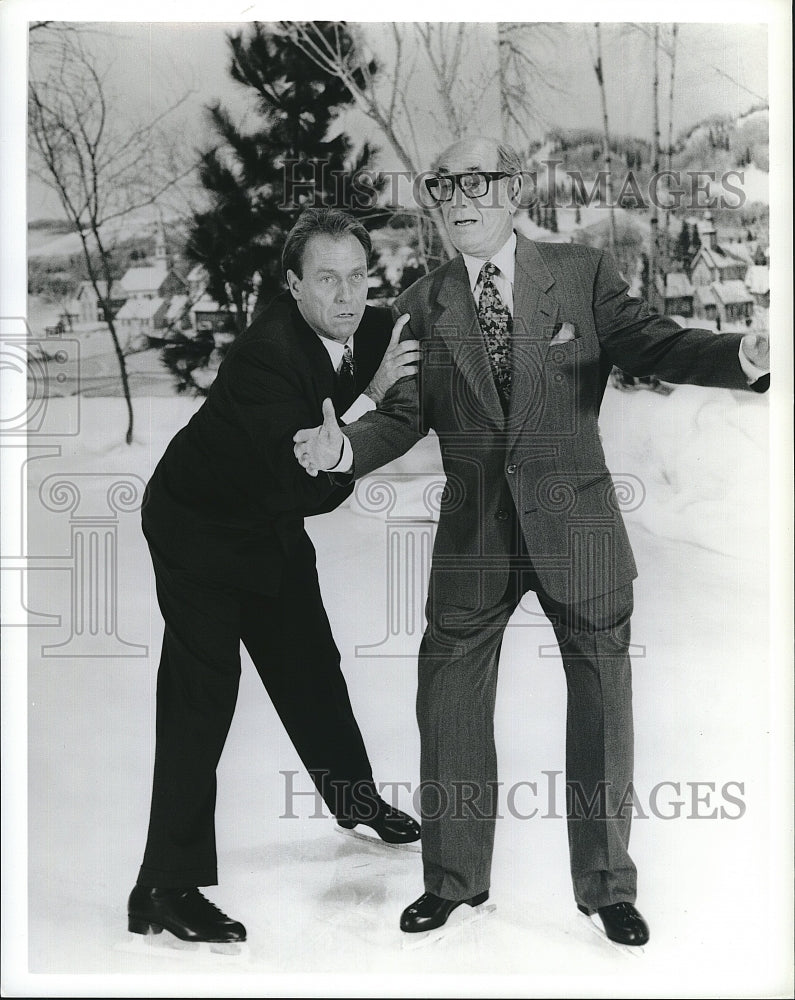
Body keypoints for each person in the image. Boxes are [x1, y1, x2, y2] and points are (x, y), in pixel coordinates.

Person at [293, 137, 770, 947]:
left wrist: (739, 355)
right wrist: (345, 450)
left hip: (575, 527)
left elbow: (650, 342)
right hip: (472, 536)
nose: (458, 198)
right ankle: (452, 882)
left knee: (602, 712)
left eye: (476, 183)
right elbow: (402, 416)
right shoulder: (417, 302)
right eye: (444, 186)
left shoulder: (580, 275)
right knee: (446, 707)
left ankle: (607, 888)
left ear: (514, 193)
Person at [128, 208, 422, 946]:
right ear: (293, 286)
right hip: (198, 526)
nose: (347, 295)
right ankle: (162, 887)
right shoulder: (265, 357)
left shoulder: (367, 323)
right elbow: (307, 486)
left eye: (357, 276)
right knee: (204, 694)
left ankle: (354, 802)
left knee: (309, 667)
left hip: (264, 524)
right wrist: (367, 401)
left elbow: (419, 314)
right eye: (327, 279)